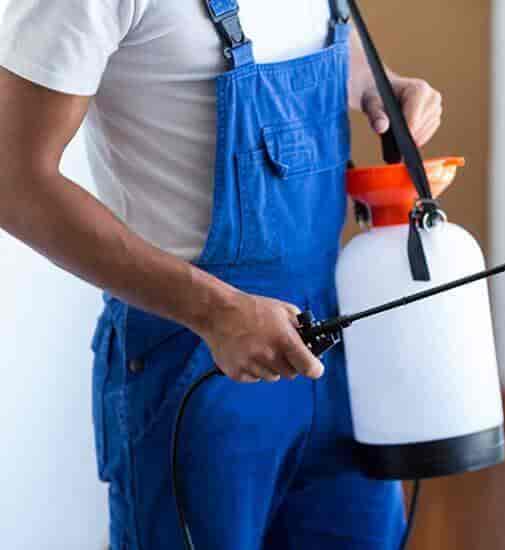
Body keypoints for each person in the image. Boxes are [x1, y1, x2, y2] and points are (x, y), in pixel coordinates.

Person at [0, 1, 443, 548]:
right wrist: (214, 311)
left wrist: (378, 86)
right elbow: (14, 181)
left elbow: (309, 36)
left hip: (336, 342)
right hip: (193, 358)